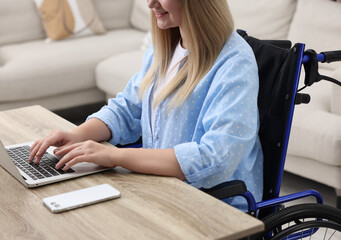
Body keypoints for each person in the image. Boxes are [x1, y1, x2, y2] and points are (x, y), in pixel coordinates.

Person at [29, 0, 263, 210]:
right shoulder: (164, 47)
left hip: (213, 206)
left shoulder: (235, 63)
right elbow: (127, 109)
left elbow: (215, 159)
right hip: (160, 190)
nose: (150, 4)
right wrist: (75, 135)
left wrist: (116, 157)